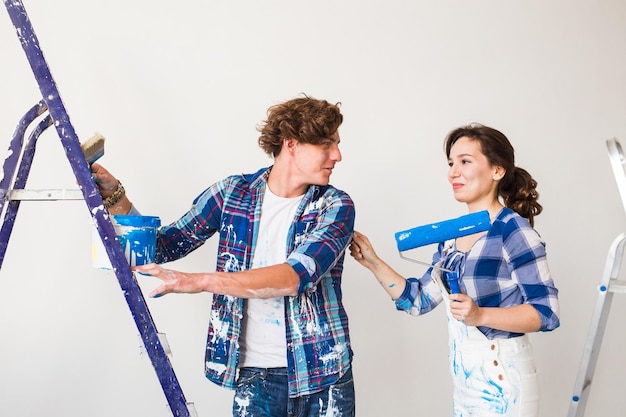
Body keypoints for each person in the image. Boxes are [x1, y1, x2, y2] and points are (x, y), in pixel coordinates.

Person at [91, 95, 356, 417]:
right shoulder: (232, 194)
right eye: (327, 144)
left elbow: (296, 276)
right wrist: (116, 196)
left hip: (324, 373)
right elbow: (164, 246)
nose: (337, 155)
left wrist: (201, 281)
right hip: (254, 375)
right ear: (292, 143)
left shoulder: (334, 206)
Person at [349, 123, 560, 417]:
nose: (452, 172)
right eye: (451, 163)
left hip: (504, 377)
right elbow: (418, 300)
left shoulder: (513, 230)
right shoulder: (452, 238)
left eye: (465, 162)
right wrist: (373, 261)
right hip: (465, 380)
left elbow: (546, 312)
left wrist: (480, 315)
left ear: (497, 171)